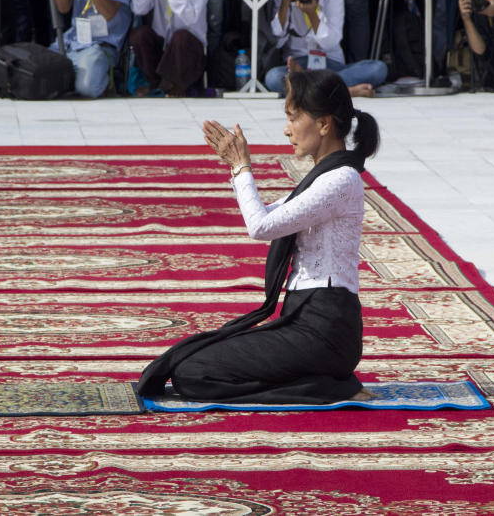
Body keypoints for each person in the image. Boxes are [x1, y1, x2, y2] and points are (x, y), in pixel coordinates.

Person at [135, 69, 380, 408]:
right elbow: (269, 216)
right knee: (191, 360)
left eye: (293, 118)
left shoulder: (341, 180)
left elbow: (260, 226)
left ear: (324, 124)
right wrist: (238, 169)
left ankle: (328, 387)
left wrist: (240, 167)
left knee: (195, 374)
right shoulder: (325, 177)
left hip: (326, 329)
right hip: (306, 320)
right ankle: (325, 382)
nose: (286, 129)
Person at [263, 0, 387, 98]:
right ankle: (346, 91)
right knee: (272, 78)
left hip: (330, 63)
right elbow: (277, 40)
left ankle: (309, 87)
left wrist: (312, 14)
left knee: (378, 68)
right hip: (298, 63)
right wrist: (285, 4)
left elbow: (330, 43)